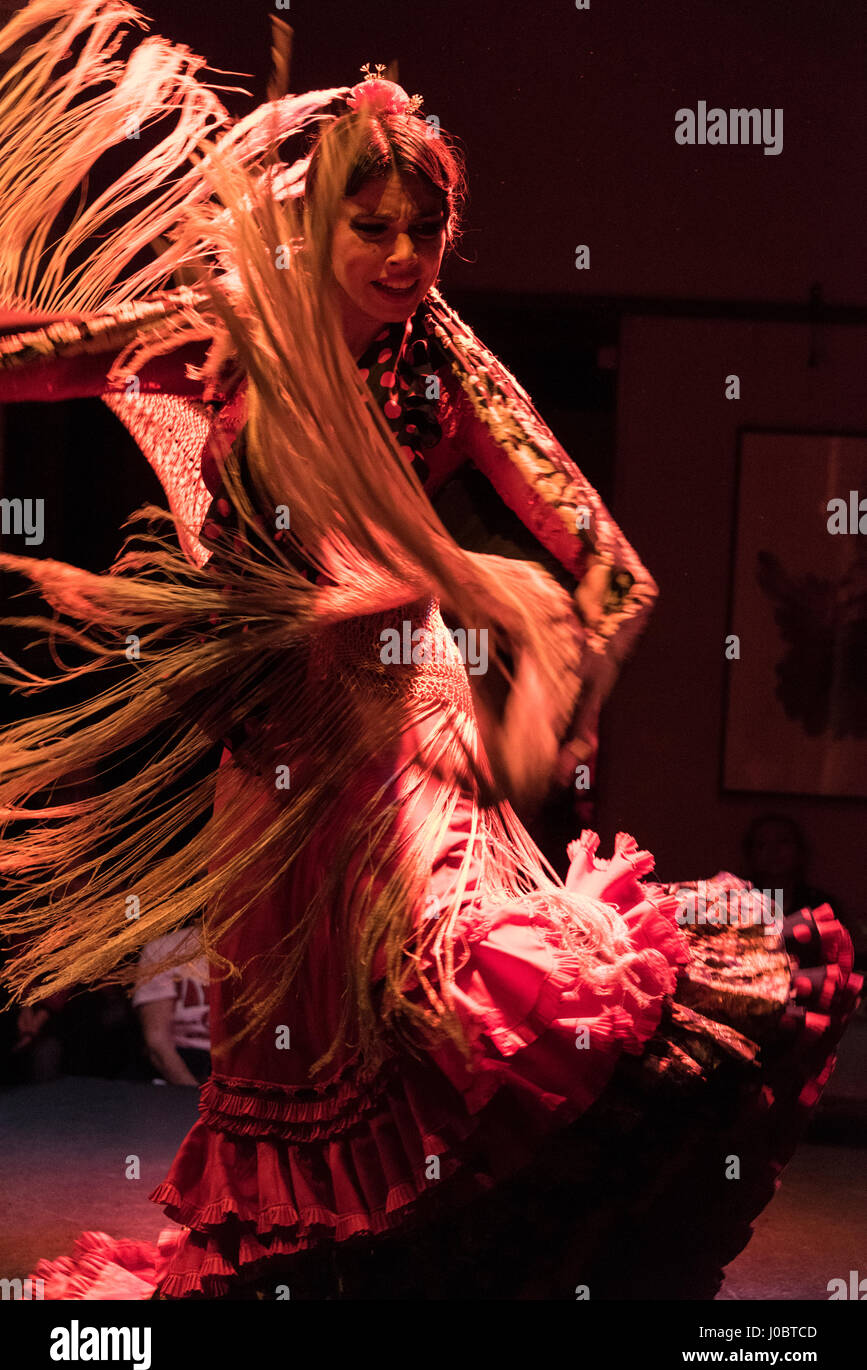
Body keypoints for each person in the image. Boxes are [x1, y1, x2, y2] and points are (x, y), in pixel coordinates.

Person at [0, 1, 860, 1300]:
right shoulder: (227, 331)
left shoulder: (435, 373)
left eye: (427, 229)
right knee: (277, 1055)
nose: (405, 255)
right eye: (373, 226)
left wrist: (546, 706)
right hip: (263, 762)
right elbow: (50, 361)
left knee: (443, 1012)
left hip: (393, 746)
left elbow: (607, 566)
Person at [132, 924, 211, 1087]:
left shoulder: (266, 949)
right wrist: (193, 1095)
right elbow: (157, 1042)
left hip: (242, 1068)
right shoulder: (164, 949)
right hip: (187, 1061)